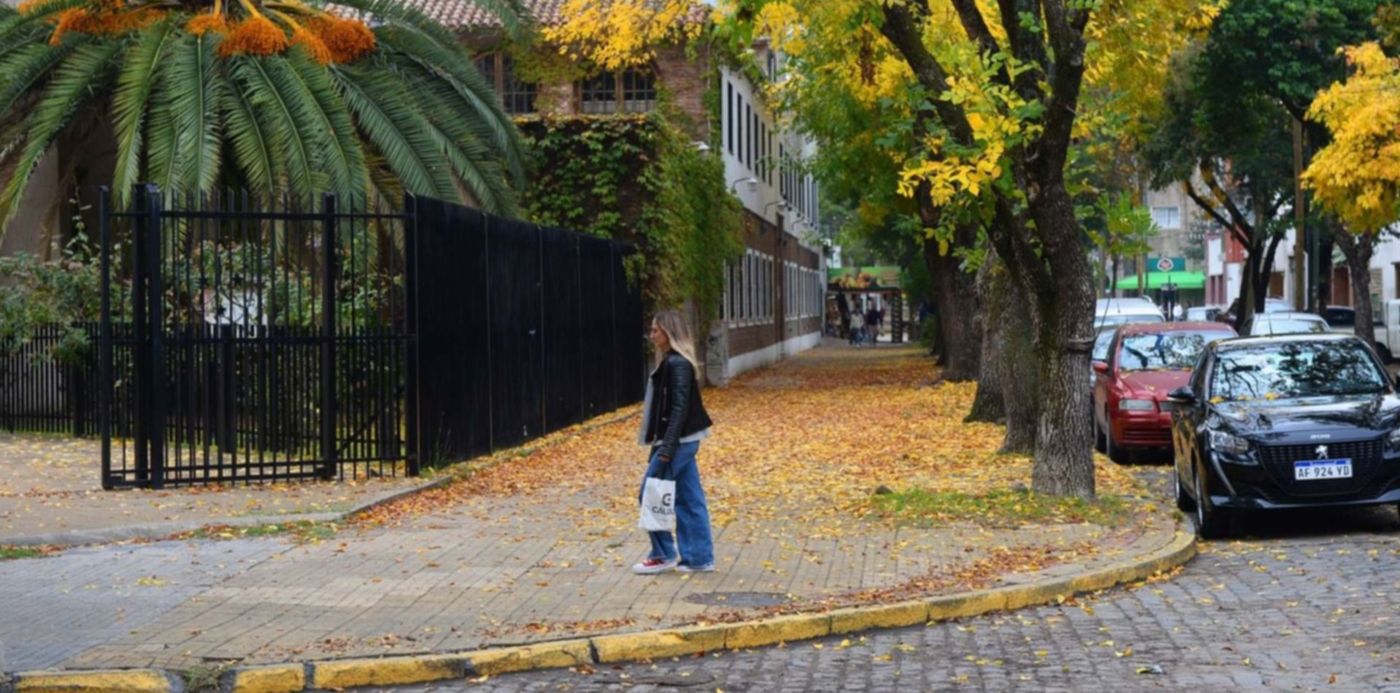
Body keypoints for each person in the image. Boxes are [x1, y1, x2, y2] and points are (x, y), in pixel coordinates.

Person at [634, 310, 715, 575]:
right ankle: (699, 558)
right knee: (690, 498)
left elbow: (679, 408)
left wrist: (666, 448)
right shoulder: (673, 361)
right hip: (682, 440)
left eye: (656, 330)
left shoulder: (676, 364)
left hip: (678, 441)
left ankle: (663, 553)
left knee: (650, 492)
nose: (651, 334)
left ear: (668, 332)